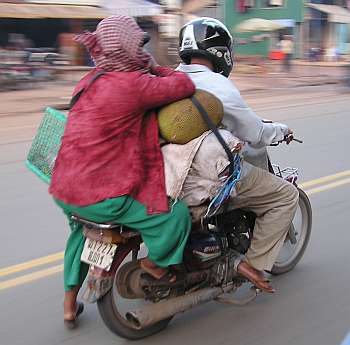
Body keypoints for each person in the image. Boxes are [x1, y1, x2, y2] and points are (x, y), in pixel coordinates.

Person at [49, 15, 195, 328]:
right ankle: (155, 264)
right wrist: (154, 66)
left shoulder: (90, 79)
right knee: (174, 214)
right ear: (127, 47)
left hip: (65, 189)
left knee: (81, 231)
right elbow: (184, 84)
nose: (143, 48)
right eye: (138, 44)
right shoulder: (136, 84)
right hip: (103, 195)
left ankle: (69, 305)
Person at [162, 17, 299, 293]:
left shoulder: (166, 78)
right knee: (285, 195)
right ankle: (255, 265)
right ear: (221, 52)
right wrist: (281, 130)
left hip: (165, 173)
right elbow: (255, 133)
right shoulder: (219, 86)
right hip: (202, 176)